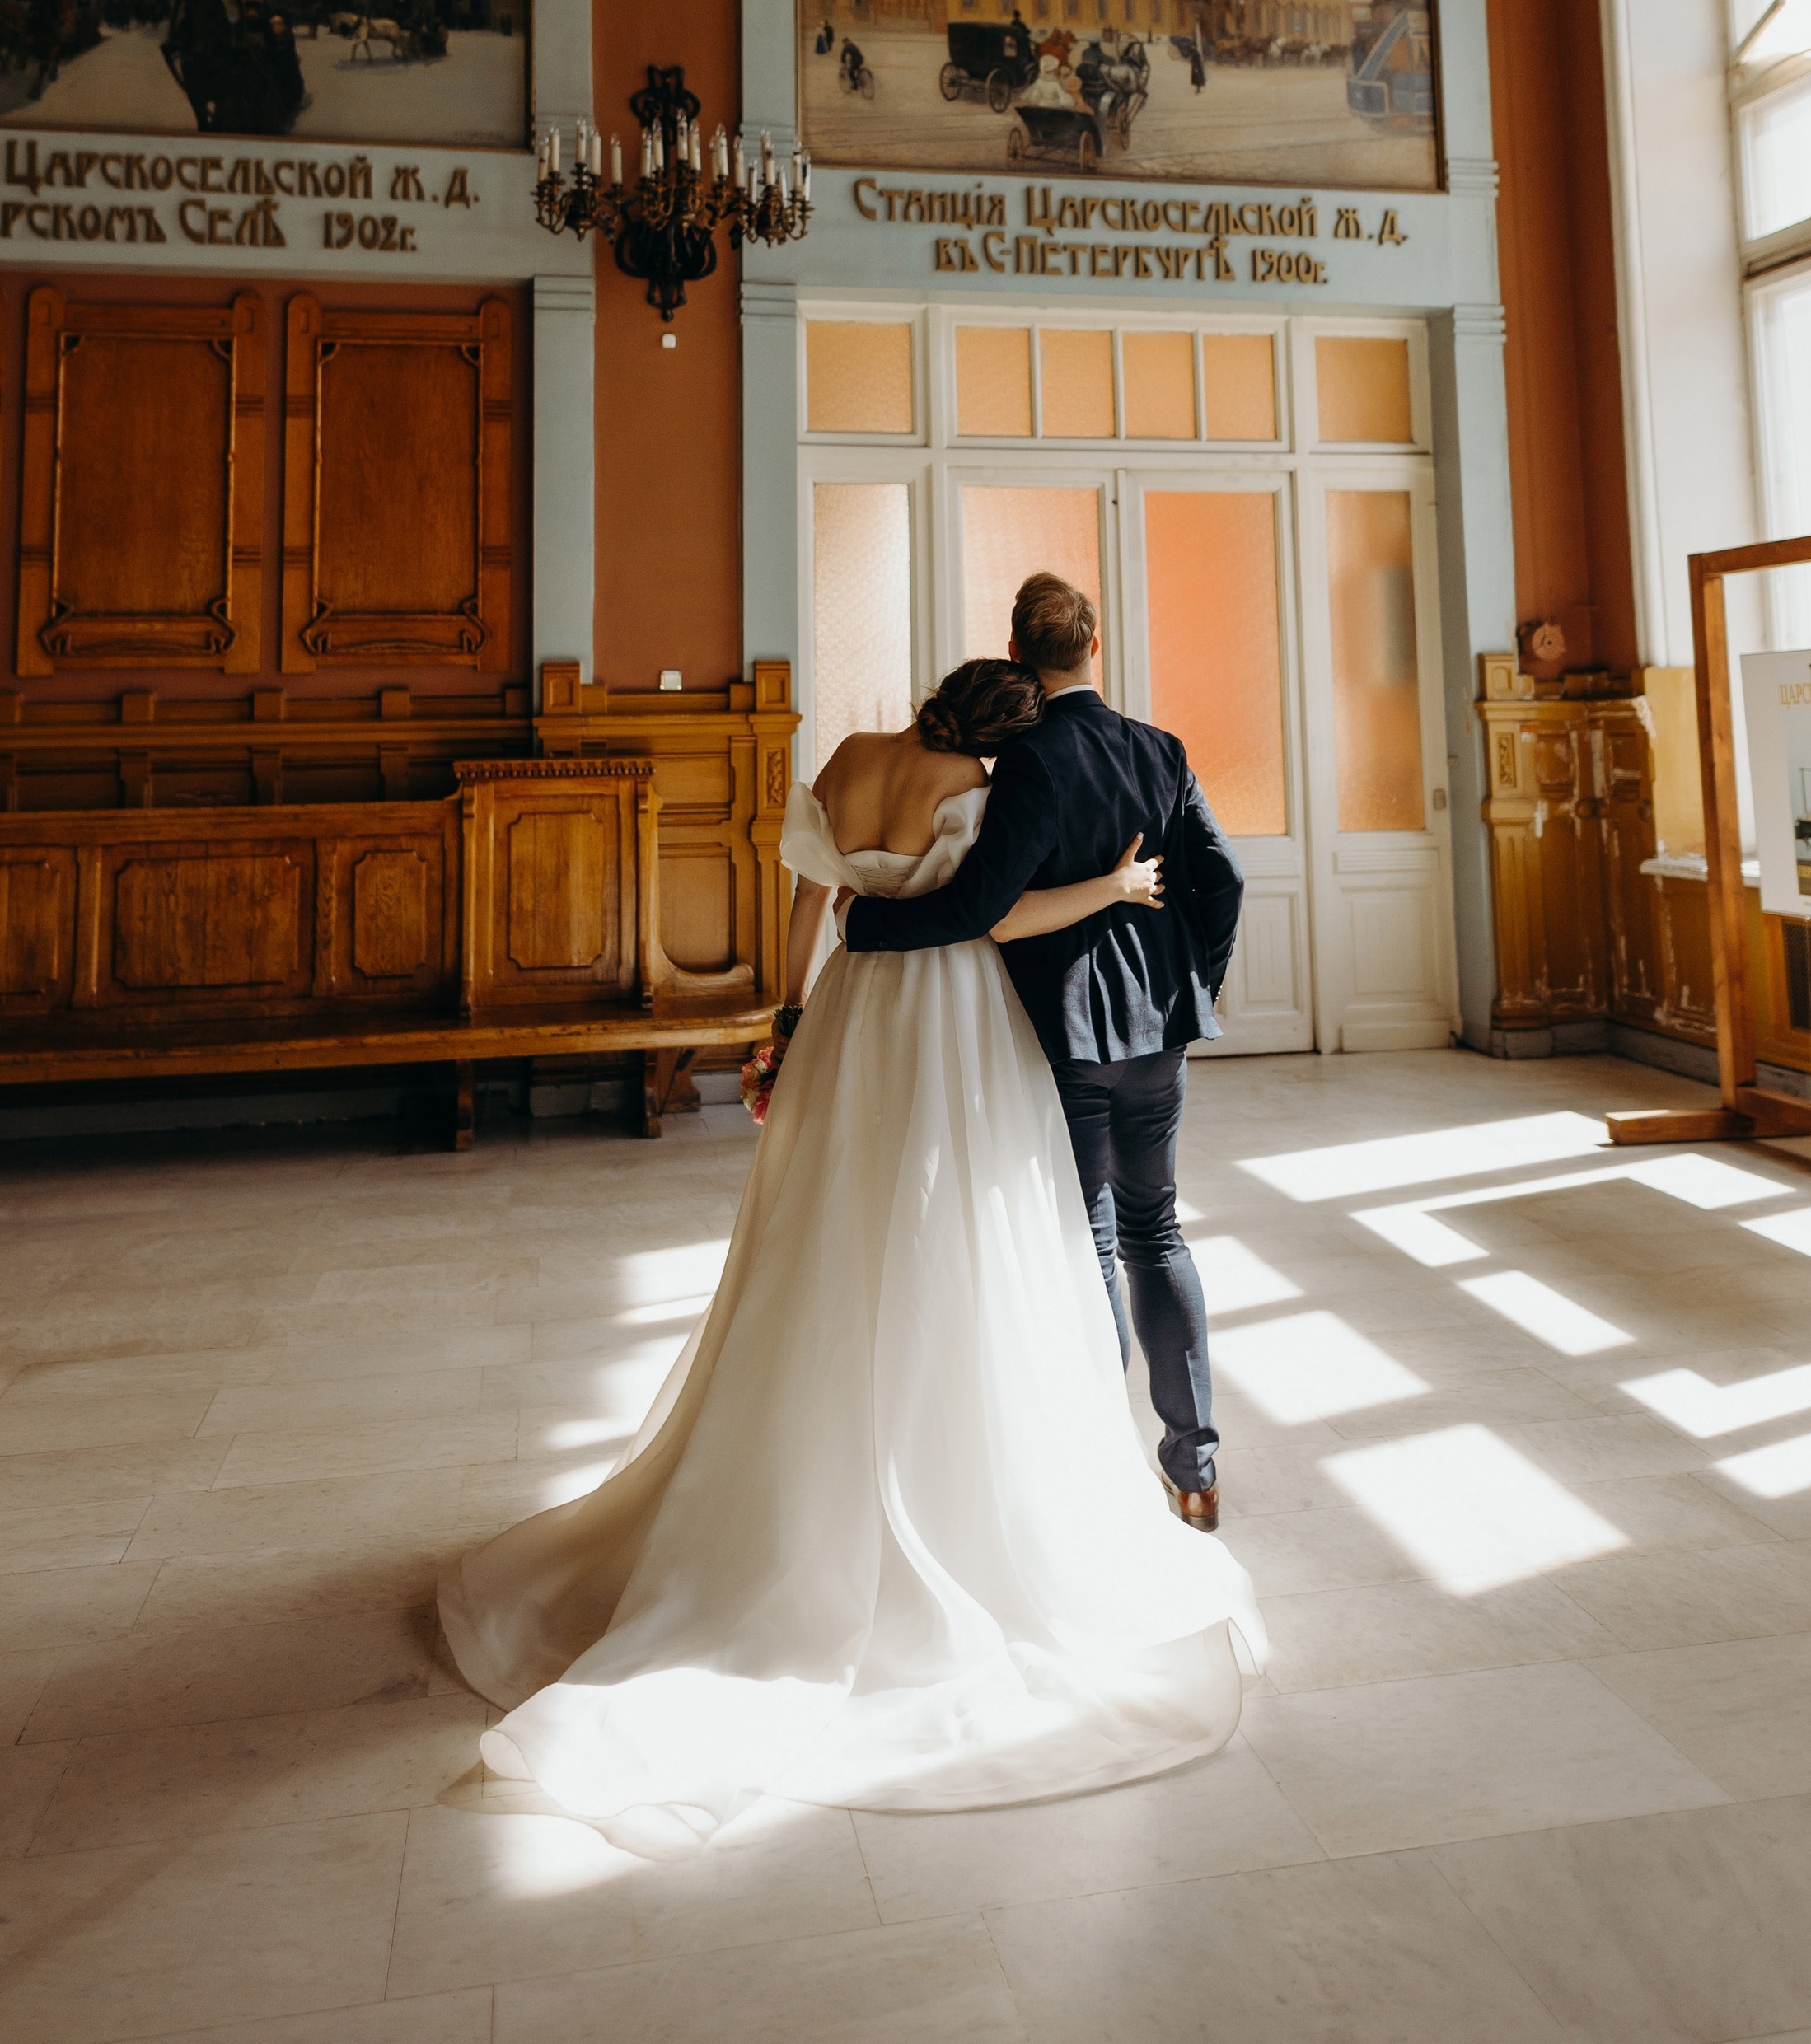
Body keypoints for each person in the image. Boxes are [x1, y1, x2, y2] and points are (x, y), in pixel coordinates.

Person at [436, 653, 1265, 1854]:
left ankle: (793, 1458)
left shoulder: (843, 763)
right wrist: (1114, 890)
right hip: (952, 1021)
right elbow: (991, 912)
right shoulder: (972, 785)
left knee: (823, 1229)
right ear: (1001, 728)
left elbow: (808, 904)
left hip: (849, 1018)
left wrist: (785, 1014)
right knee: (961, 1230)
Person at [840, 571, 1243, 1524]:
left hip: (1063, 1035)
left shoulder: (1026, 761)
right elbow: (1221, 883)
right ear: (1092, 647)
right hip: (1158, 1035)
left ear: (1017, 651)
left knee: (1091, 1243)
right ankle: (1195, 1470)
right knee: (1160, 1229)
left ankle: (1101, 1469)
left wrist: (866, 930)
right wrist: (1188, 987)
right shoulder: (1161, 747)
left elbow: (982, 908)